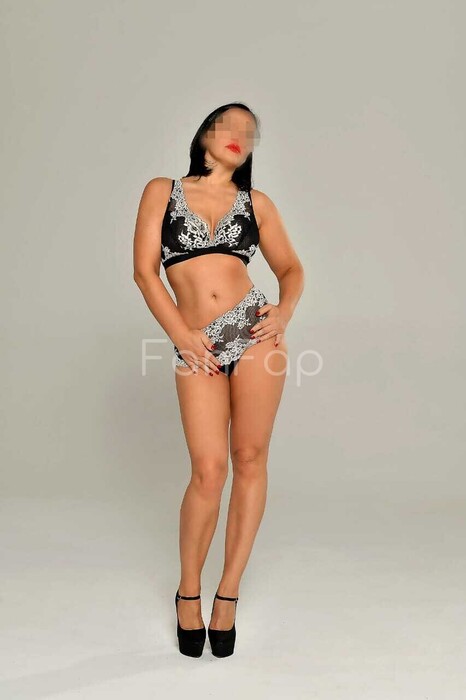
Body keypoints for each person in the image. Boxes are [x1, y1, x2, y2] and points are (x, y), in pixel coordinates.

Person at [133, 102, 305, 657]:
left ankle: (227, 592)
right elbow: (145, 272)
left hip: (254, 332)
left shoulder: (257, 203)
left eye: (248, 132)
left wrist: (283, 312)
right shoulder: (163, 190)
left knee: (250, 458)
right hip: (197, 343)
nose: (238, 135)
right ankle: (189, 590)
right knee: (208, 471)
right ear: (204, 133)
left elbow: (291, 269)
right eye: (227, 124)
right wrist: (181, 335)